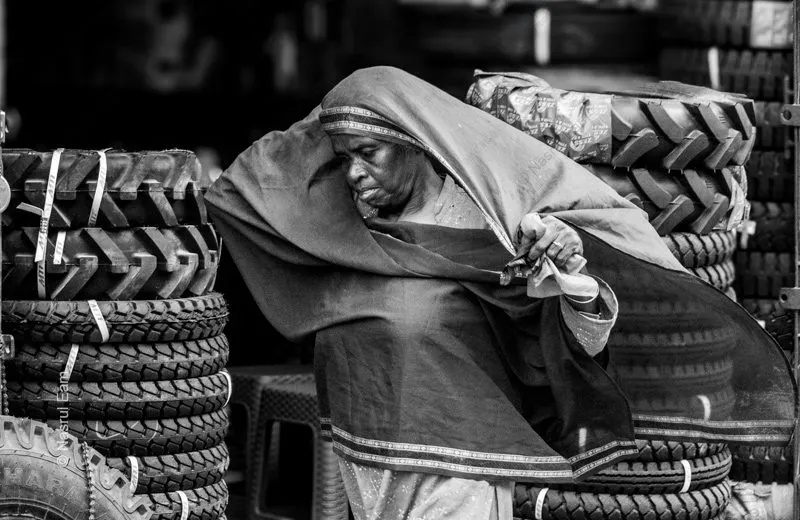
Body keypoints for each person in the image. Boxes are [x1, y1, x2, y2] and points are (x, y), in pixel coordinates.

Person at [206, 67, 795, 519]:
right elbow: (239, 190)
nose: (354, 173)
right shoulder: (340, 225)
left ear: (415, 144)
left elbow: (560, 334)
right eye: (343, 158)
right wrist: (349, 109)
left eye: (370, 154)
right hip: (367, 439)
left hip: (457, 452)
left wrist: (575, 276)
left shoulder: (494, 221)